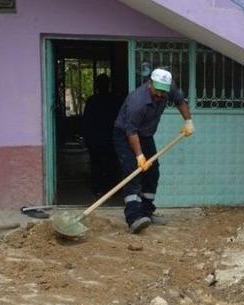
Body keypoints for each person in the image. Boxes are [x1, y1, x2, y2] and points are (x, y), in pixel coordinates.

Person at [113, 67, 193, 233]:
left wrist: (188, 121)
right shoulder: (137, 101)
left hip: (145, 135)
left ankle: (147, 212)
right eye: (157, 91)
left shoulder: (165, 88)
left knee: (152, 172)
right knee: (132, 173)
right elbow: (131, 132)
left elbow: (180, 101)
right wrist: (140, 156)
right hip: (126, 135)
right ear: (150, 83)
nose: (160, 96)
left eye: (163, 93)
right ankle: (134, 218)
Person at [82, 74, 122, 196]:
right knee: (110, 163)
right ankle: (111, 189)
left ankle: (98, 188)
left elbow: (86, 121)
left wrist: (86, 138)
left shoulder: (92, 101)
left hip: (97, 139)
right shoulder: (115, 100)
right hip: (109, 138)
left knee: (97, 164)